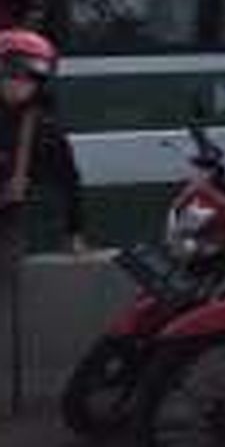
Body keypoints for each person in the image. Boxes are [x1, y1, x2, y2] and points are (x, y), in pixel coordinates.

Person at [1, 29, 86, 416]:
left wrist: (75, 232)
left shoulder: (44, 130)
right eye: (10, 74)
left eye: (26, 78)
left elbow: (70, 181)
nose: (16, 85)